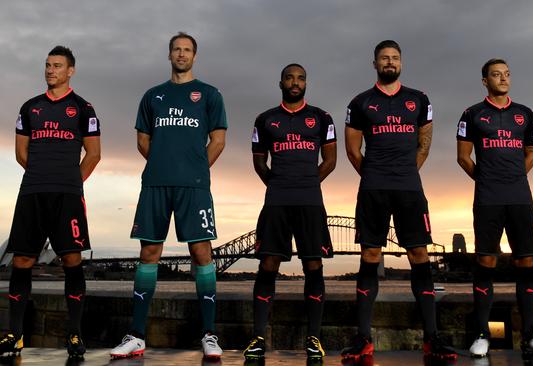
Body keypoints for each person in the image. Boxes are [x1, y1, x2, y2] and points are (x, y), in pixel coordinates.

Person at [109, 32, 227, 360]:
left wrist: (194, 168)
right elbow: (143, 141)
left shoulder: (209, 94)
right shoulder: (153, 96)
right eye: (176, 49)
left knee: (202, 252)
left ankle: (209, 335)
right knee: (149, 252)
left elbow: (217, 141)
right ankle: (136, 335)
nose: (181, 54)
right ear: (170, 54)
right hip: (156, 184)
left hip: (194, 186)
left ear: (194, 56)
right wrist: (165, 164)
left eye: (187, 50)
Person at [340, 40, 456, 362]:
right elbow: (352, 150)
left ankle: (432, 338)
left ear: (401, 62)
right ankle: (363, 338)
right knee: (371, 253)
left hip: (409, 188)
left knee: (419, 253)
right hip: (373, 189)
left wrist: (404, 172)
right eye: (383, 58)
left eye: (394, 58)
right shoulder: (360, 102)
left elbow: (424, 144)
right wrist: (377, 174)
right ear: (374, 63)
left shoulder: (418, 100)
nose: (389, 62)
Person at [0, 46, 101, 359]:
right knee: (21, 262)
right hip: (32, 193)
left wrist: (70, 183)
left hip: (67, 196)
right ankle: (15, 335)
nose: (50, 70)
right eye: (47, 65)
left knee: (71, 260)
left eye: (57, 66)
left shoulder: (83, 109)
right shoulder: (30, 107)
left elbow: (94, 154)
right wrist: (42, 176)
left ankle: (74, 334)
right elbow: (20, 153)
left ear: (70, 71)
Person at [456, 58, 533, 358]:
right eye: (496, 75)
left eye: (507, 74)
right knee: (485, 262)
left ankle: (530, 335)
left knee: (525, 262)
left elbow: (531, 153)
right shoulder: (472, 114)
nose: (503, 79)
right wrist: (488, 179)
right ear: (485, 81)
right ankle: (482, 334)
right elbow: (463, 158)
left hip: (520, 198)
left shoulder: (525, 114)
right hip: (487, 198)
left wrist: (513, 178)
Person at [242, 64, 337, 361]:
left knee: (313, 266)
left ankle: (314, 339)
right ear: (280, 82)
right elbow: (259, 162)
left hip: (310, 202)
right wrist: (280, 184)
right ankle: (258, 338)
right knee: (268, 265)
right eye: (290, 78)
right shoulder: (265, 119)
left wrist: (306, 183)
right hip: (276, 202)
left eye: (301, 78)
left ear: (306, 83)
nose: (295, 83)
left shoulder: (321, 118)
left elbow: (330, 161)